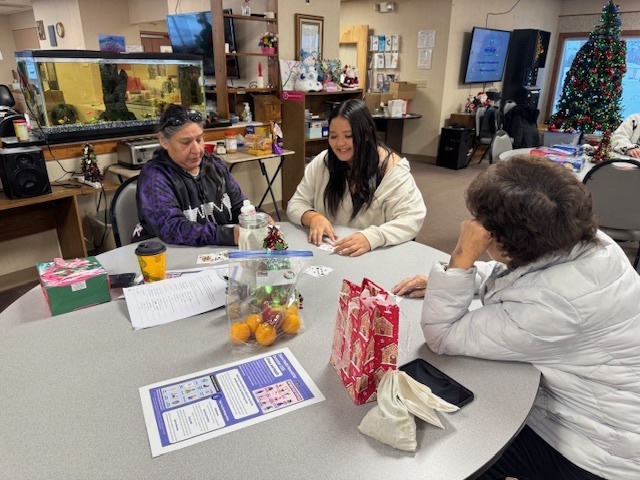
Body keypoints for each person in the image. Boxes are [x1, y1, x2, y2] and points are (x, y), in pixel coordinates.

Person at [395, 155, 640, 479]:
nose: (474, 228)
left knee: (453, 445)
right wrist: (462, 277)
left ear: (510, 242)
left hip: (595, 448)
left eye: (483, 225)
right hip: (607, 404)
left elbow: (442, 336)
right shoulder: (590, 242)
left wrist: (461, 259)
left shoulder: (553, 306)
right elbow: (518, 275)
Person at [286, 98, 426, 257]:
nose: (339, 143)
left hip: (375, 255)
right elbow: (296, 203)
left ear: (366, 134)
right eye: (333, 136)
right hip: (333, 252)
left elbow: (411, 219)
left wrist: (372, 237)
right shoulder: (322, 162)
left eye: (348, 136)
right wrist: (313, 217)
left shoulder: (392, 170)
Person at [134, 104, 252, 246]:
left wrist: (256, 219)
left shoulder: (216, 166)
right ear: (164, 141)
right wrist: (226, 235)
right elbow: (172, 228)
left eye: (199, 140)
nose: (197, 150)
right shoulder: (155, 177)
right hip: (167, 256)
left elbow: (240, 205)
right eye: (186, 142)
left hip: (216, 255)